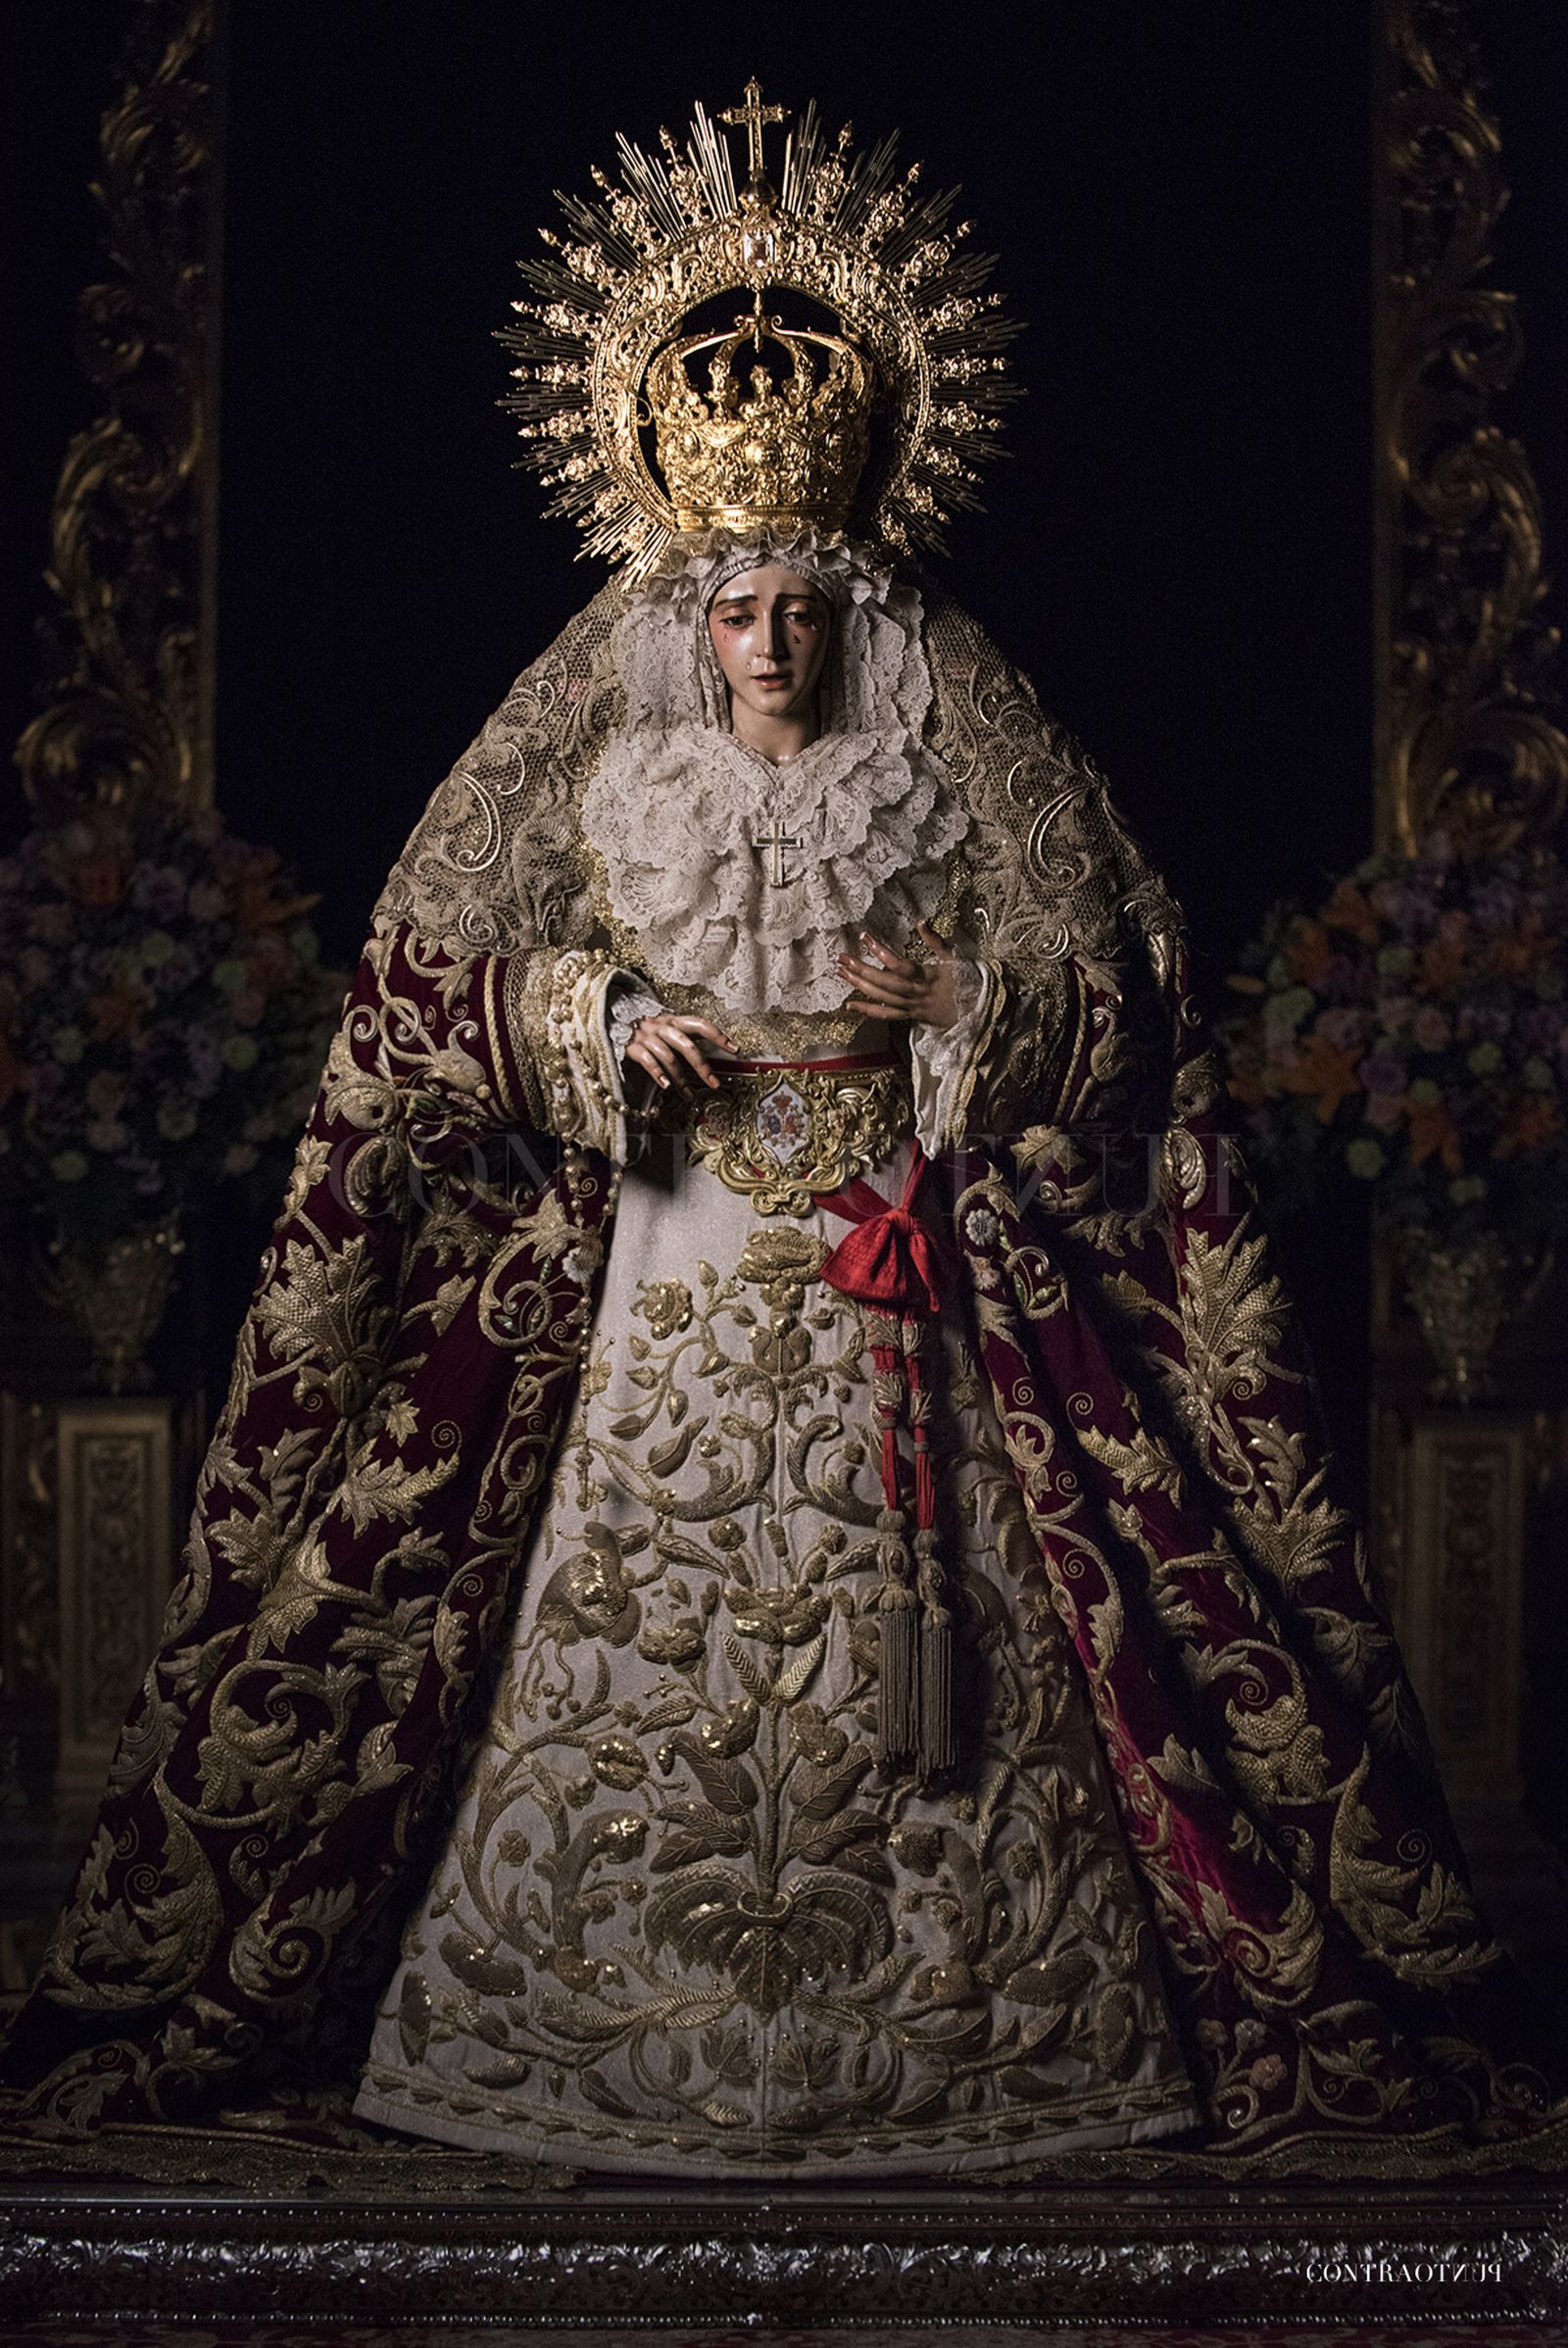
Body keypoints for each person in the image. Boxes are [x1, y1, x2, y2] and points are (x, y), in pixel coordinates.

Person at [0, 87, 1554, 2174]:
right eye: (737, 611)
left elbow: (1125, 989)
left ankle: (964, 2029)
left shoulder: (958, 741)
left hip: (892, 1248)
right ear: (687, 614)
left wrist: (973, 1016)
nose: (771, 642)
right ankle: (580, 2018)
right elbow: (424, 990)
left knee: (926, 1602)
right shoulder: (591, 761)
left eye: (802, 610)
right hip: (659, 1253)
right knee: (621, 1619)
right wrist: (593, 1018)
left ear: (850, 612)